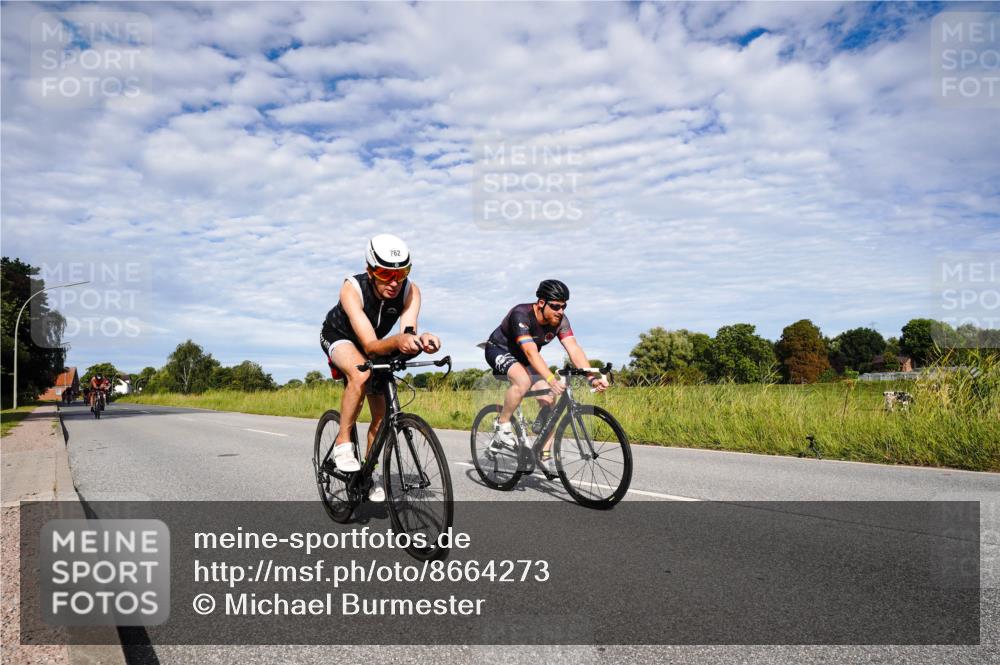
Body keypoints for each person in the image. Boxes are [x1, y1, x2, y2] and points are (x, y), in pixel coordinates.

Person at [320, 234, 441, 501]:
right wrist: (399, 340)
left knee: (382, 416)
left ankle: (368, 472)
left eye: (402, 273)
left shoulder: (411, 292)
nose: (395, 282)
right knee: (360, 372)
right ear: (370, 270)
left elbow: (406, 333)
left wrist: (420, 341)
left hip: (377, 343)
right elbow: (371, 346)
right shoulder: (352, 288)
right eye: (386, 274)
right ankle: (343, 441)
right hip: (341, 335)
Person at [483, 279, 609, 467]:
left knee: (550, 398)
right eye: (556, 306)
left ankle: (544, 451)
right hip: (499, 350)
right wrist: (550, 378)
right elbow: (530, 352)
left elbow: (573, 349)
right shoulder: (521, 314)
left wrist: (591, 377)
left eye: (564, 306)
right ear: (541, 303)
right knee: (523, 381)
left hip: (526, 359)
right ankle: (502, 423)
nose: (561, 311)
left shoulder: (560, 321)